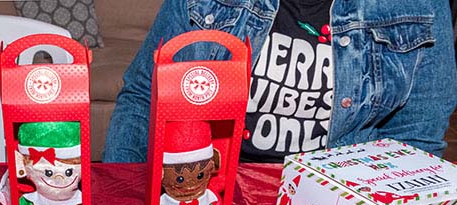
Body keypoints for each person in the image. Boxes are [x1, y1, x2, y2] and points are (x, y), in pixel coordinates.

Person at [103, 0, 457, 163]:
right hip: (211, 190)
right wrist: (122, 203)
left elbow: (416, 138)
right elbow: (144, 98)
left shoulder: (417, 5)